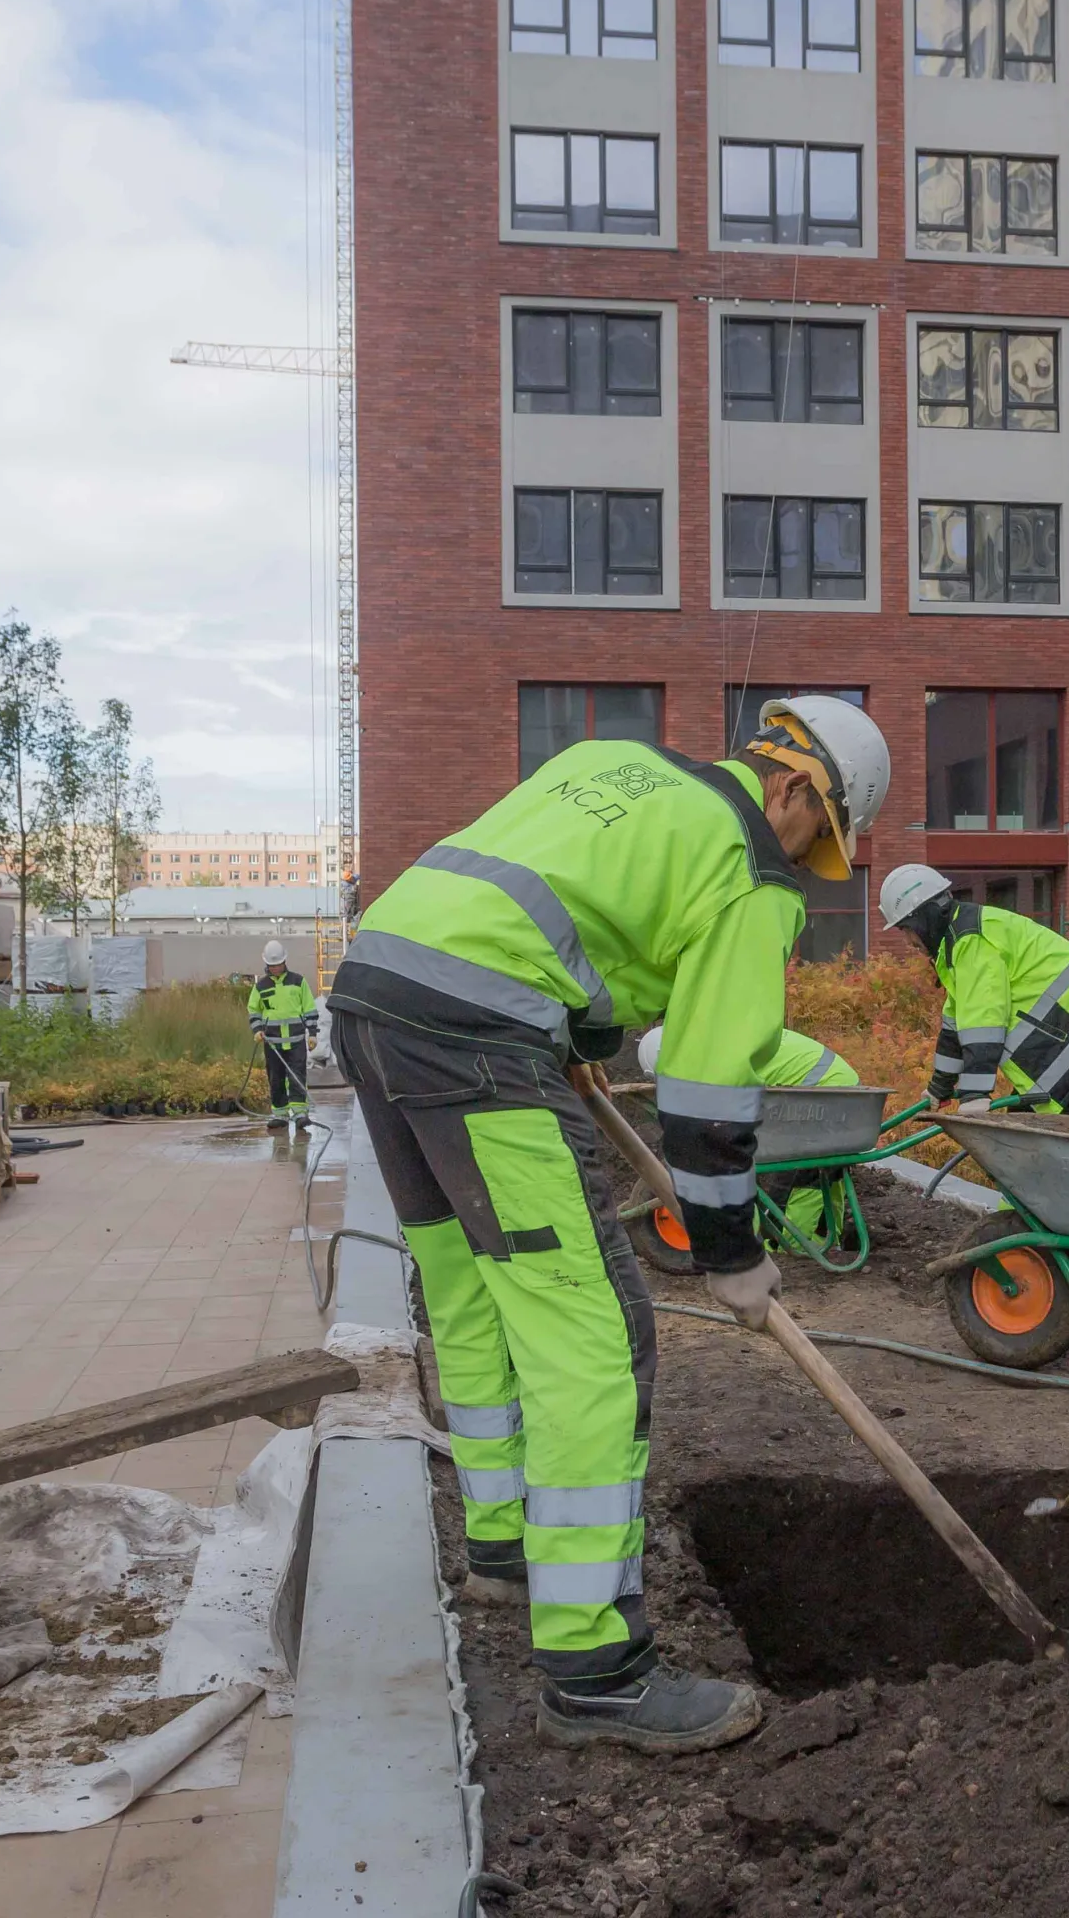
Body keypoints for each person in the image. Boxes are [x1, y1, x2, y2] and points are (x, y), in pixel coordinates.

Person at [324, 696, 890, 1753]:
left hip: (374, 990)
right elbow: (713, 1082)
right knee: (595, 1339)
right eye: (821, 835)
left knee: (474, 1290)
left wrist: (573, 1028)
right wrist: (733, 1254)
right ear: (798, 792)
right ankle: (596, 1669)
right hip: (477, 1035)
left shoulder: (619, 764)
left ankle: (503, 1551)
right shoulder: (747, 870)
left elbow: (557, 902)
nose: (810, 858)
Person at [875, 865, 1069, 1118]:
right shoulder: (956, 943)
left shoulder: (970, 940)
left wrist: (975, 1095)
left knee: (1050, 1131)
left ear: (925, 919)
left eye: (906, 930)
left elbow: (984, 1020)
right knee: (1031, 1125)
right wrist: (940, 1087)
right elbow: (955, 1026)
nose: (908, 942)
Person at [637, 1023, 858, 1250]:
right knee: (827, 1172)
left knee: (801, 1178)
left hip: (826, 1096)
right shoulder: (718, 1043)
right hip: (835, 1090)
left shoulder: (719, 1061)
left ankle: (792, 1250)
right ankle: (824, 1242)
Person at [247, 941, 315, 1128]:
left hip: (296, 1040)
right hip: (272, 1042)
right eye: (272, 965)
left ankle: (300, 1113)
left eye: (278, 964)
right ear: (267, 964)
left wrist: (313, 1034)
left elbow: (309, 1008)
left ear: (285, 961)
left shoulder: (298, 982)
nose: (276, 968)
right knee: (276, 1078)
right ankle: (280, 1114)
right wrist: (257, 1030)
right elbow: (254, 1010)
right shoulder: (261, 986)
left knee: (297, 1076)